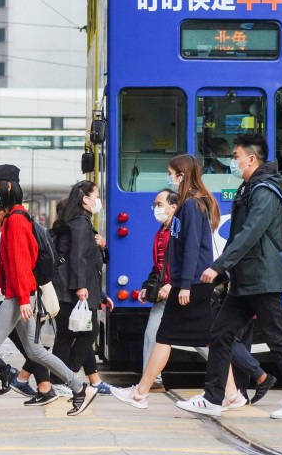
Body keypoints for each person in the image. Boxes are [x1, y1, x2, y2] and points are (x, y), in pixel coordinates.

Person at [176, 133, 282, 419]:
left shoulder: (264, 190)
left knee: (278, 338)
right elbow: (240, 234)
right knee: (220, 334)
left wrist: (219, 265)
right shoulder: (250, 187)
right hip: (245, 279)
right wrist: (226, 270)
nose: (233, 161)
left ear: (251, 159)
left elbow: (250, 232)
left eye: (236, 156)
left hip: (262, 277)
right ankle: (213, 398)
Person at [0, 164, 98, 422]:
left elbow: (22, 264)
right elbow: (7, 263)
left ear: (8, 187)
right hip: (19, 294)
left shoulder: (17, 220)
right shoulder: (14, 218)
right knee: (34, 351)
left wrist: (23, 299)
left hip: (20, 296)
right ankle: (79, 388)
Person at [113, 155, 219, 410]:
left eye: (171, 173)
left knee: (169, 336)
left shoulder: (191, 206)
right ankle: (232, 392)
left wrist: (182, 285)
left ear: (181, 175)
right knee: (203, 339)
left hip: (191, 285)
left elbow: (191, 247)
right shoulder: (190, 204)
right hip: (192, 283)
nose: (169, 178)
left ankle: (140, 393)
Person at [0, 200, 52, 400]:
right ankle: (47, 385)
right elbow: (4, 266)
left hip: (6, 297)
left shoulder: (11, 226)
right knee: (32, 349)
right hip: (1, 295)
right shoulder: (2, 230)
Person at [49, 181, 113, 398]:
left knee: (68, 335)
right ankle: (66, 377)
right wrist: (80, 287)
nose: (98, 201)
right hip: (72, 288)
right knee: (87, 332)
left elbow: (89, 257)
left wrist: (102, 247)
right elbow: (77, 257)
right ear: (85, 199)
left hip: (75, 288)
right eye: (96, 196)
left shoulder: (81, 222)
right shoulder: (79, 224)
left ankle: (61, 379)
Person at [138, 189, 178, 391]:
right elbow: (159, 267)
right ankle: (153, 380)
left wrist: (175, 284)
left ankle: (233, 374)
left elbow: (188, 261)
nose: (156, 208)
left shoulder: (179, 229)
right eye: (155, 204)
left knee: (202, 341)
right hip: (163, 293)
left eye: (160, 204)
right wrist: (148, 286)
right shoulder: (161, 231)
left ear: (173, 207)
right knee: (151, 334)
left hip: (180, 292)